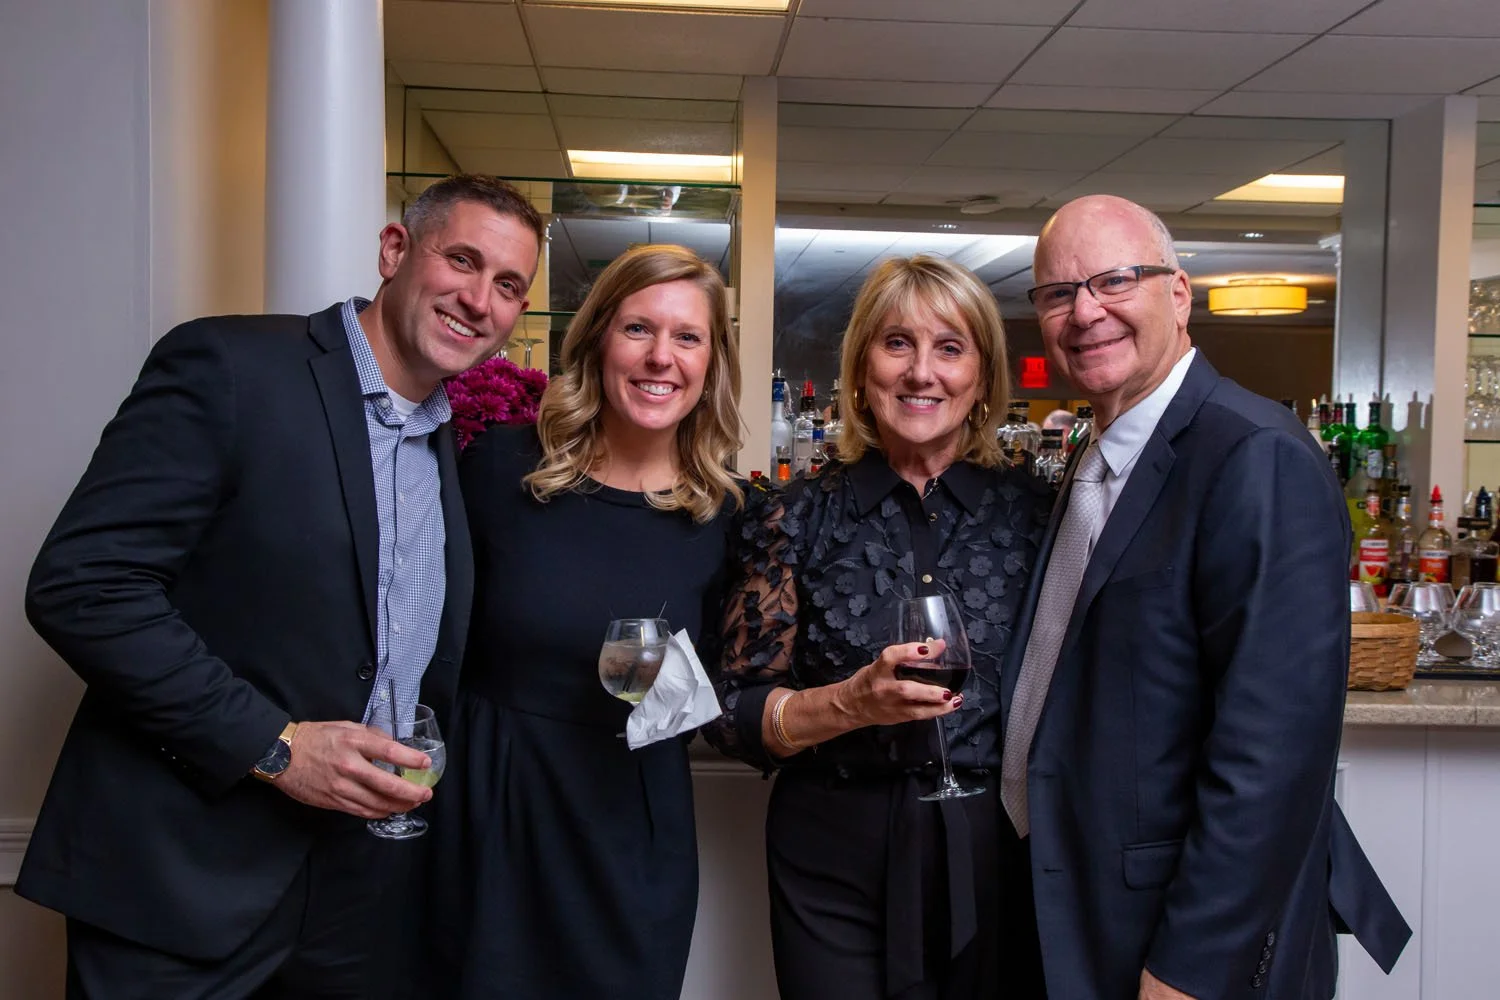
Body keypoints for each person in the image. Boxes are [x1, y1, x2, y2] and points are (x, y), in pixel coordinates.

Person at [20, 173, 544, 999]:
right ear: (395, 250)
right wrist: (278, 747)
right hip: (185, 879)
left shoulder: (449, 441)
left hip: (360, 893)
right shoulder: (232, 366)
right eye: (463, 261)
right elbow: (85, 586)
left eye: (509, 286)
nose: (480, 300)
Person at [1000, 194, 1410, 999]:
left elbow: (1273, 760)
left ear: (1179, 294)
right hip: (1081, 911)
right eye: (1058, 292)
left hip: (1183, 946)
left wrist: (1189, 972)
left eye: (1115, 281)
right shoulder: (1095, 451)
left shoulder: (1256, 457)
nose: (1085, 313)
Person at [705, 254, 1051, 1000]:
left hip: (1001, 851)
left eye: (950, 348)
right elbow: (733, 714)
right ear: (861, 369)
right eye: (897, 344)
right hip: (832, 853)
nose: (922, 372)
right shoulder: (790, 516)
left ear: (983, 378)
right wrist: (847, 705)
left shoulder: (1039, 518)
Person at [424, 244, 744, 999]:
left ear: (711, 362)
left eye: (687, 337)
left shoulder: (729, 517)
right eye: (638, 329)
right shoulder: (499, 468)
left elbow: (734, 691)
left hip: (629, 831)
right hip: (488, 811)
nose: (660, 357)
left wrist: (682, 690)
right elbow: (422, 637)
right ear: (598, 338)